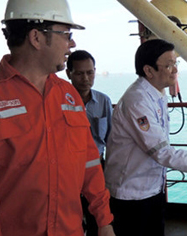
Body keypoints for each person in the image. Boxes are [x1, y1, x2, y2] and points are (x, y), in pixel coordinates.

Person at [0, 0, 115, 235]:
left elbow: (89, 163)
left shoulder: (69, 95)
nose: (72, 44)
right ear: (36, 38)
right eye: (66, 34)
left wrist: (104, 221)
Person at [103, 39, 187, 236]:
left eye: (176, 63)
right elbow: (162, 153)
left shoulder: (156, 93)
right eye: (168, 65)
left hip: (151, 190)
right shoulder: (137, 101)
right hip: (131, 196)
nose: (175, 70)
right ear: (149, 71)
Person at [66, 50, 113, 236]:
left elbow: (111, 140)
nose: (85, 78)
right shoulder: (59, 100)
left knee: (97, 216)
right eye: (79, 73)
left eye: (90, 72)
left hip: (97, 167)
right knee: (71, 216)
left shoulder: (103, 101)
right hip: (68, 169)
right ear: (69, 73)